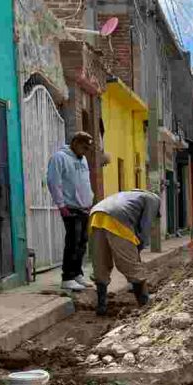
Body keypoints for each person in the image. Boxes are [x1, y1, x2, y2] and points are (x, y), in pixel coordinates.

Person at [88, 189, 161, 314]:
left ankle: (101, 305)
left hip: (96, 214)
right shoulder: (154, 200)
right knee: (129, 263)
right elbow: (145, 227)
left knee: (101, 260)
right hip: (118, 216)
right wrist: (138, 246)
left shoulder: (131, 195)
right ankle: (144, 303)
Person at [46, 132, 95, 291]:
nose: (85, 151)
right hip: (70, 208)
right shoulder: (59, 158)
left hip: (84, 208)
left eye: (87, 148)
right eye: (83, 146)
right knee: (73, 242)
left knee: (82, 242)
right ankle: (67, 277)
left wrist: (90, 200)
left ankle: (77, 274)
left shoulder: (83, 160)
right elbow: (54, 181)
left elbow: (85, 181)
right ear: (74, 142)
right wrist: (61, 205)